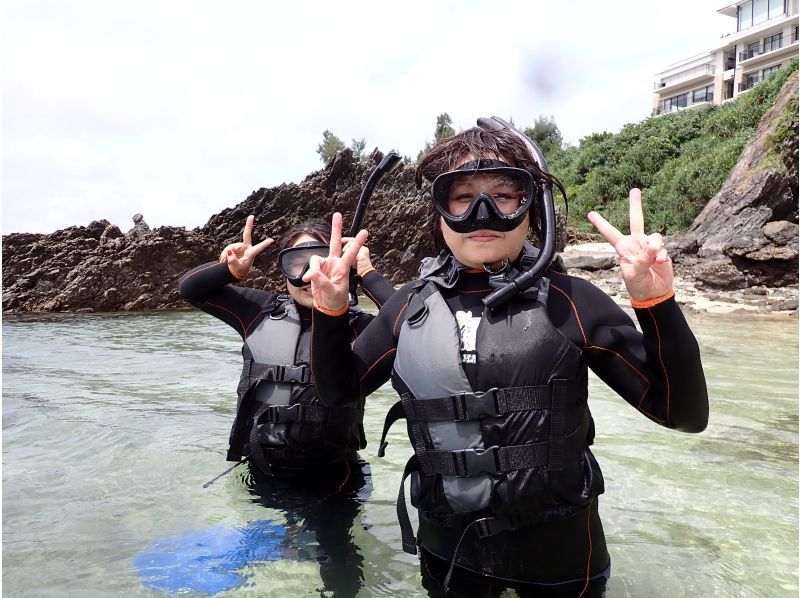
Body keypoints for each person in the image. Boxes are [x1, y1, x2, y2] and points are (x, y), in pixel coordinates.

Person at [304, 126, 709, 597]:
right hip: (449, 551)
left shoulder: (572, 302)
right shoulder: (406, 308)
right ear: (439, 211)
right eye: (462, 197)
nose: (483, 214)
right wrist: (330, 313)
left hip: (561, 559)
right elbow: (336, 393)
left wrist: (656, 303)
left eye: (503, 195)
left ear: (531, 209)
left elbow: (683, 415)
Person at [178, 215, 395, 596]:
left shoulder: (360, 327)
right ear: (282, 272)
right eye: (298, 263)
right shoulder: (259, 311)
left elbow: (410, 321)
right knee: (265, 551)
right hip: (262, 472)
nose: (312, 273)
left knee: (334, 555)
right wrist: (227, 269)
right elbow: (191, 290)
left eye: (322, 258)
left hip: (333, 480)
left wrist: (367, 273)